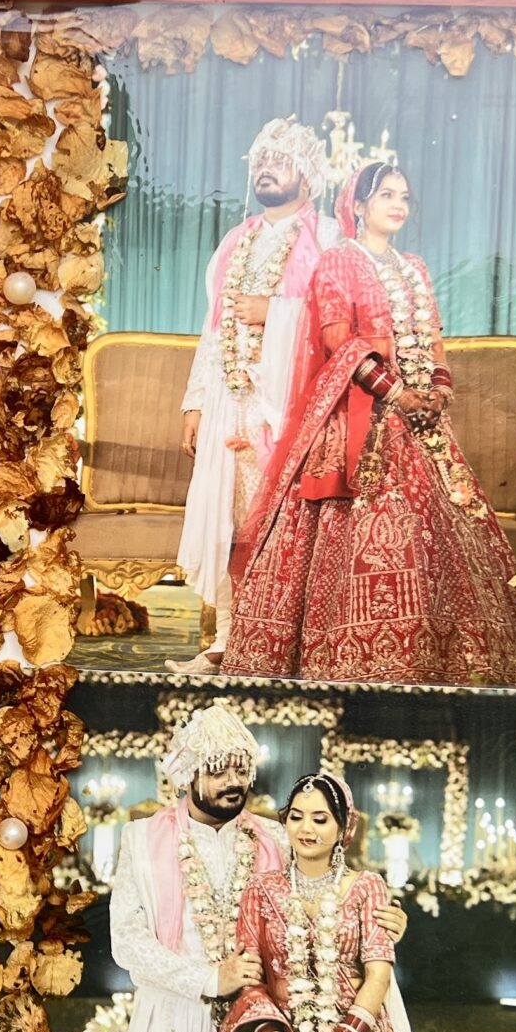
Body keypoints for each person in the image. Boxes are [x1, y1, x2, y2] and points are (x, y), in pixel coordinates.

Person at [222, 163, 516, 688]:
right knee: (382, 530)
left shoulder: (413, 267)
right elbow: (339, 342)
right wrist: (397, 393)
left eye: (404, 197)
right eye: (386, 195)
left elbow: (432, 339)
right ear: (358, 205)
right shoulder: (338, 261)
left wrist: (438, 390)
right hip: (360, 414)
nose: (398, 205)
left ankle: (438, 655)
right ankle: (351, 655)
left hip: (421, 418)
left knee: (443, 531)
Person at [189, 774, 436, 1032]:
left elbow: (378, 977)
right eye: (296, 817)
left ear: (343, 829)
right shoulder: (261, 889)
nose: (306, 828)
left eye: (320, 819)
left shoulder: (367, 887)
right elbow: (250, 979)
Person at [170, 119, 332, 675]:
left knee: (282, 521)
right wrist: (195, 401)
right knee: (228, 518)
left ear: (306, 174)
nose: (266, 170)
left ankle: (281, 643)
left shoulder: (329, 238)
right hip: (228, 398)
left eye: (279, 161)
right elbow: (212, 327)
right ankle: (226, 641)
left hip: (289, 405)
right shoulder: (234, 242)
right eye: (260, 161)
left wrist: (276, 312)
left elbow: (342, 322)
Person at [106, 704, 285, 1032]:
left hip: (256, 1022)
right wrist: (208, 979)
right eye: (218, 770)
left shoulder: (276, 838)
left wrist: (379, 917)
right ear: (189, 774)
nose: (233, 782)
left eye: (241, 770)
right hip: (175, 1020)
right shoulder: (142, 839)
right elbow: (127, 940)